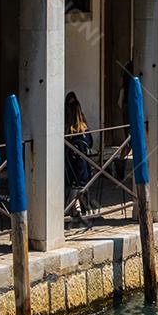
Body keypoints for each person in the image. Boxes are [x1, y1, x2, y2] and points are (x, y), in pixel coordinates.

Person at [64, 92, 94, 227]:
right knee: (79, 186)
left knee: (71, 185)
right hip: (84, 168)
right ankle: (79, 208)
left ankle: (73, 209)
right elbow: (91, 142)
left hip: (71, 168)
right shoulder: (84, 129)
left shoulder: (67, 130)